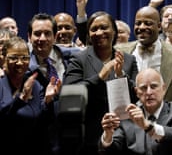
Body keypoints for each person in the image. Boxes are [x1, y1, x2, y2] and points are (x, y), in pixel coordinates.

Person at [63, 11, 139, 155]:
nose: (99, 32)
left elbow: (136, 96)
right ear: (88, 34)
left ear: (114, 31)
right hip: (89, 137)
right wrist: (100, 76)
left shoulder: (128, 60)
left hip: (124, 137)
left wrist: (120, 75)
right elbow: (70, 95)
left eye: (104, 27)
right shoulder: (79, 59)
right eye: (94, 29)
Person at [99, 68, 172, 155]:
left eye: (153, 86)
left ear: (163, 89)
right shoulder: (128, 115)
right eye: (143, 88)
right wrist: (108, 135)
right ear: (137, 92)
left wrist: (148, 127)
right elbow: (112, 151)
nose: (149, 92)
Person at [27, 12, 80, 155]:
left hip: (72, 137)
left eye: (47, 33)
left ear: (55, 36)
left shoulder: (75, 57)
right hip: (39, 140)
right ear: (29, 37)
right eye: (37, 34)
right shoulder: (23, 66)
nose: (42, 39)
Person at [0, 36, 62, 154]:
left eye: (24, 58)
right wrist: (21, 98)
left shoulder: (35, 84)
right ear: (4, 58)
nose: (19, 62)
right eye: (13, 58)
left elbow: (44, 121)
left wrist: (48, 100)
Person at [115, 6, 172, 101]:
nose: (142, 27)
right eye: (138, 23)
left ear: (159, 26)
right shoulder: (119, 51)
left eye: (148, 23)